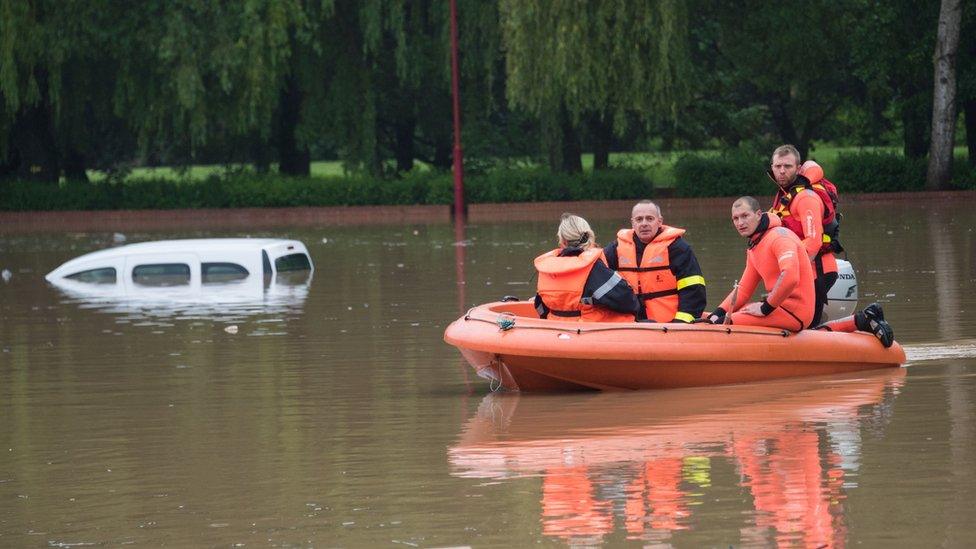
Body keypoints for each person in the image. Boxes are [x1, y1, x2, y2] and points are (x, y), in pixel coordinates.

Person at [705, 196, 815, 331]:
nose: (740, 223)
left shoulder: (780, 237)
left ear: (758, 215)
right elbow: (744, 289)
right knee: (717, 319)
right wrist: (717, 313)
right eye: (736, 218)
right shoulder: (755, 245)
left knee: (725, 322)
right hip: (777, 308)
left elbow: (790, 277)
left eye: (745, 216)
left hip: (795, 314)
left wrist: (765, 308)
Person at [767, 144, 841, 326]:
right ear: (772, 167)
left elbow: (814, 242)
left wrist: (791, 272)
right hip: (803, 273)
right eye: (778, 166)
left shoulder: (805, 197)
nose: (782, 171)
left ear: (798, 169)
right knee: (805, 326)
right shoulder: (784, 196)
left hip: (818, 272)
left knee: (804, 326)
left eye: (787, 166)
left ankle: (860, 322)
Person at [602, 200, 706, 323]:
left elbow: (694, 290)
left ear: (660, 221)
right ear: (632, 223)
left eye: (649, 219)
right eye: (639, 219)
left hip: (669, 324)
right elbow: (595, 275)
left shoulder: (677, 248)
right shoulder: (616, 249)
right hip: (631, 324)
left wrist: (680, 323)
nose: (644, 223)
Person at [534, 213, 640, 322]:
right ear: (588, 236)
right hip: (589, 331)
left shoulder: (546, 268)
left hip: (557, 329)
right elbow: (629, 301)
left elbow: (540, 308)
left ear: (562, 241)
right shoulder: (593, 267)